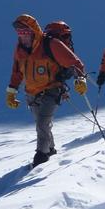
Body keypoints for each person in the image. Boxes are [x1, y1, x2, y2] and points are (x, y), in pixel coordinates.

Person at [6, 14, 87, 167]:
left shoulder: (51, 44)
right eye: (19, 33)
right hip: (31, 93)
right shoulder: (20, 49)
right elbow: (17, 72)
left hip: (51, 90)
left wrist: (80, 79)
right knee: (42, 123)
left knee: (42, 123)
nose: (22, 36)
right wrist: (11, 91)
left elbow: (74, 62)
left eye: (25, 32)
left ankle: (41, 156)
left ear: (33, 31)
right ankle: (50, 149)